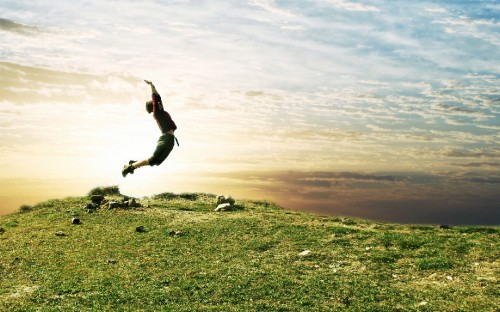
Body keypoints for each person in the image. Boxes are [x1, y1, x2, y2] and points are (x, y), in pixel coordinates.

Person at [122, 80, 178, 177]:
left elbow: (158, 97)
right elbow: (155, 98)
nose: (158, 103)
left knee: (156, 162)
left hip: (170, 140)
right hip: (165, 140)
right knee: (152, 160)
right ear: (153, 107)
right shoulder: (157, 113)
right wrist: (151, 86)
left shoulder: (162, 111)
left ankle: (134, 164)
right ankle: (129, 167)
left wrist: (154, 86)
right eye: (155, 103)